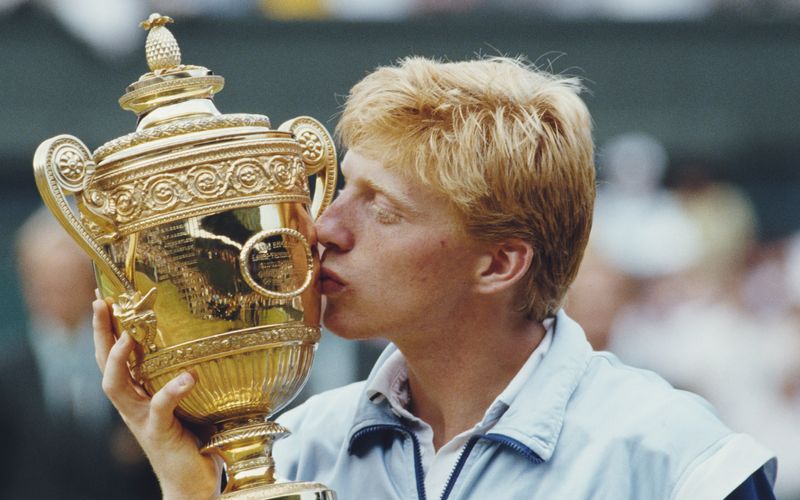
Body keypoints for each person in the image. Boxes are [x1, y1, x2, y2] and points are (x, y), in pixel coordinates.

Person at [93, 56, 777, 499]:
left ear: (500, 263)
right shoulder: (299, 447)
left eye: (382, 209)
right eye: (342, 188)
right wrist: (190, 488)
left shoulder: (677, 461)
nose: (325, 228)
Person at [4, 206, 160, 499]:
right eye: (43, 281)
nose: (53, 293)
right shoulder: (8, 375)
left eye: (66, 280)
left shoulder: (135, 364)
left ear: (90, 281)